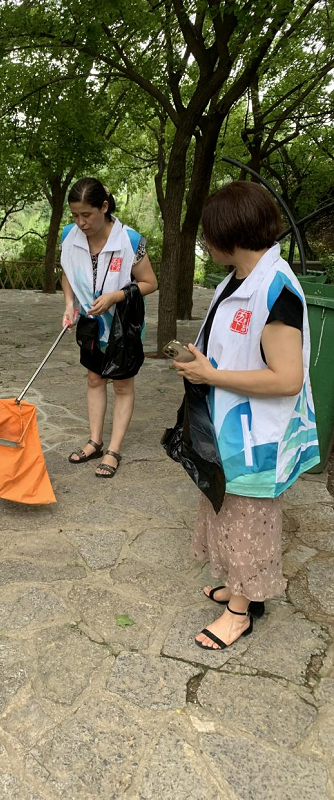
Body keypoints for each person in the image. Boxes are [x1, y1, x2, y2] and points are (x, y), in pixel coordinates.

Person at [172, 181, 319, 651]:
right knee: (227, 510)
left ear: (229, 233)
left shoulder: (276, 291)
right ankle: (241, 588)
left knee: (249, 520)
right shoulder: (238, 278)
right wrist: (200, 363)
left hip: (256, 435)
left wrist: (212, 376)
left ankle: (240, 612)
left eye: (208, 234)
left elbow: (287, 378)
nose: (205, 242)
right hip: (229, 425)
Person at [61, 177, 158, 478]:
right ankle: (95, 441)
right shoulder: (69, 236)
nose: (81, 222)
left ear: (104, 207)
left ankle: (114, 450)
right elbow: (67, 273)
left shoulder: (129, 240)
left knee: (122, 384)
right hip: (91, 322)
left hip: (123, 324)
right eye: (75, 215)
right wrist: (69, 305)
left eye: (86, 215)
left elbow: (150, 283)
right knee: (94, 379)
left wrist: (116, 296)